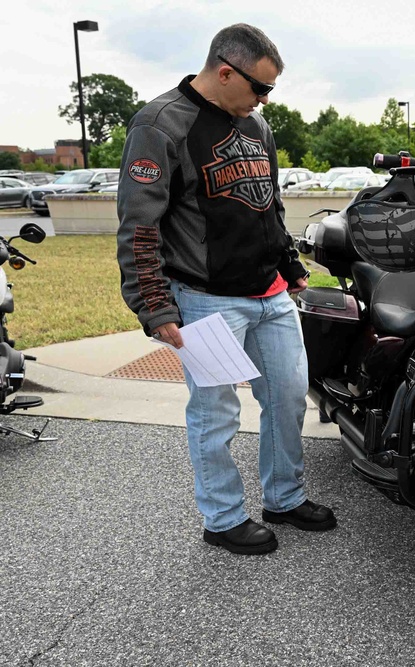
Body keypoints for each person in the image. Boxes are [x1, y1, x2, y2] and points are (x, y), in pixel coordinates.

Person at [117, 23, 336, 555]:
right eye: (259, 88)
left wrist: (290, 263)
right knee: (215, 413)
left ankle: (283, 497)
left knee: (287, 398)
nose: (263, 100)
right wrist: (153, 303)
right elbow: (140, 223)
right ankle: (222, 517)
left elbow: (270, 204)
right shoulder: (161, 123)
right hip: (205, 298)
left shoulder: (257, 126)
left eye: (270, 91)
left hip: (270, 293)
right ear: (224, 70)